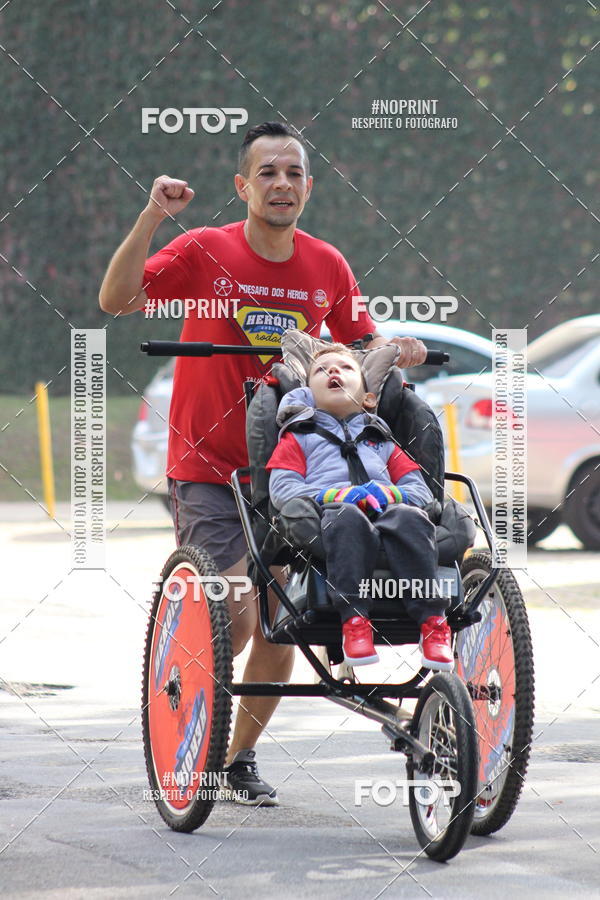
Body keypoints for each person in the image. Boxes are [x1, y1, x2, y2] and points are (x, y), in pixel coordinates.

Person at [99, 120, 428, 806]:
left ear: (309, 188)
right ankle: (192, 719)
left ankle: (235, 758)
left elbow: (363, 349)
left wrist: (397, 348)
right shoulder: (204, 249)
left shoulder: (327, 264)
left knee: (286, 621)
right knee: (239, 614)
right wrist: (153, 216)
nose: (282, 184)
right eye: (268, 173)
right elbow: (116, 300)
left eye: (294, 173)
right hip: (210, 469)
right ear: (243, 186)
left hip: (292, 472)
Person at [267, 345, 453, 669]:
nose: (333, 372)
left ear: (368, 398)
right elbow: (283, 490)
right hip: (330, 517)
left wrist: (388, 494)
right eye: (321, 370)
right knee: (347, 517)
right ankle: (354, 620)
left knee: (411, 517)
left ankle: (433, 623)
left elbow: (420, 491)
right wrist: (335, 496)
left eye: (345, 368)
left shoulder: (382, 441)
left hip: (389, 514)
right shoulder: (298, 438)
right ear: (308, 395)